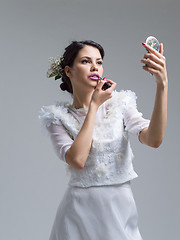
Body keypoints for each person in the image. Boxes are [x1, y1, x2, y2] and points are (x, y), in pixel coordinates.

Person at [39, 40, 168, 240]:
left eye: (99, 62)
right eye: (85, 61)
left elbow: (154, 140)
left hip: (120, 210)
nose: (94, 67)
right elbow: (77, 160)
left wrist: (162, 85)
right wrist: (94, 106)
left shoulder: (120, 104)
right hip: (77, 213)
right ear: (68, 71)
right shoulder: (57, 117)